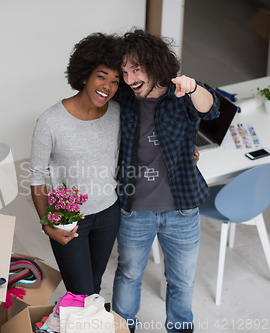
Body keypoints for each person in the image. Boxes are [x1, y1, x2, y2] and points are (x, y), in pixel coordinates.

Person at [111, 29, 220, 333]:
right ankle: (122, 328)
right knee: (129, 273)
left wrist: (194, 86)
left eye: (135, 68)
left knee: (182, 280)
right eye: (124, 70)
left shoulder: (181, 96)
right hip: (134, 210)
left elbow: (211, 108)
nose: (129, 78)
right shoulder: (125, 100)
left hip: (182, 211)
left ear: (154, 64)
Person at [29, 33, 128, 296]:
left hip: (109, 212)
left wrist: (187, 149)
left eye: (115, 81)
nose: (107, 86)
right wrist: (46, 223)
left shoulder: (118, 114)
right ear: (84, 75)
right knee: (80, 292)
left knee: (93, 288)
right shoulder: (50, 122)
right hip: (68, 217)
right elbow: (37, 177)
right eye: (102, 76)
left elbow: (146, 142)